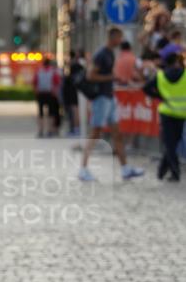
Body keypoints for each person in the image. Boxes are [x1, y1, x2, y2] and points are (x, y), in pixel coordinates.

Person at [78, 27, 144, 182]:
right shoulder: (101, 54)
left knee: (117, 133)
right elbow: (90, 75)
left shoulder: (110, 53)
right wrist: (110, 77)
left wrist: (113, 78)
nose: (121, 41)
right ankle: (83, 169)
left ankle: (125, 169)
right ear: (113, 37)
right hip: (101, 98)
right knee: (95, 134)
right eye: (119, 37)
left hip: (109, 97)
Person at [144, 52, 186, 181]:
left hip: (166, 112)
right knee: (173, 143)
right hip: (181, 113)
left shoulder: (160, 76)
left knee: (169, 144)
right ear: (176, 62)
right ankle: (173, 172)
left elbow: (146, 88)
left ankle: (164, 170)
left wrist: (160, 96)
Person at [34, 57, 61, 137]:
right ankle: (50, 130)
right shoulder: (53, 72)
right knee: (51, 113)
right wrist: (55, 92)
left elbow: (34, 83)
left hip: (41, 94)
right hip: (50, 94)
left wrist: (36, 92)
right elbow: (57, 83)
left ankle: (41, 130)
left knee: (40, 113)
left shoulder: (39, 71)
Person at [62, 50, 85, 137]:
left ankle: (76, 129)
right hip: (75, 91)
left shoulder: (73, 66)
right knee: (74, 110)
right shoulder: (77, 65)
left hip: (73, 91)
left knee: (75, 110)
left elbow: (67, 78)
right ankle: (76, 129)